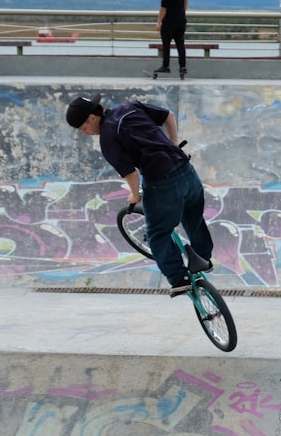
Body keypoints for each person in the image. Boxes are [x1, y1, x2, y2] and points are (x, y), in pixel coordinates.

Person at [65, 94, 213, 295]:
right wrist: (173, 144)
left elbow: (130, 173)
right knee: (193, 218)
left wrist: (134, 196)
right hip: (187, 170)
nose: (85, 133)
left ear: (92, 117)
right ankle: (204, 258)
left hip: (163, 182)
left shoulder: (107, 138)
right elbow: (168, 115)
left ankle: (180, 278)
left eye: (83, 128)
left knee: (157, 234)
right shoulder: (130, 107)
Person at [154, 0, 189, 79]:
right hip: (181, 20)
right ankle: (182, 67)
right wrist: (182, 13)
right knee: (180, 45)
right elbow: (185, 1)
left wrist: (159, 22)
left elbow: (163, 7)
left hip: (169, 21)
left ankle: (166, 66)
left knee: (166, 44)